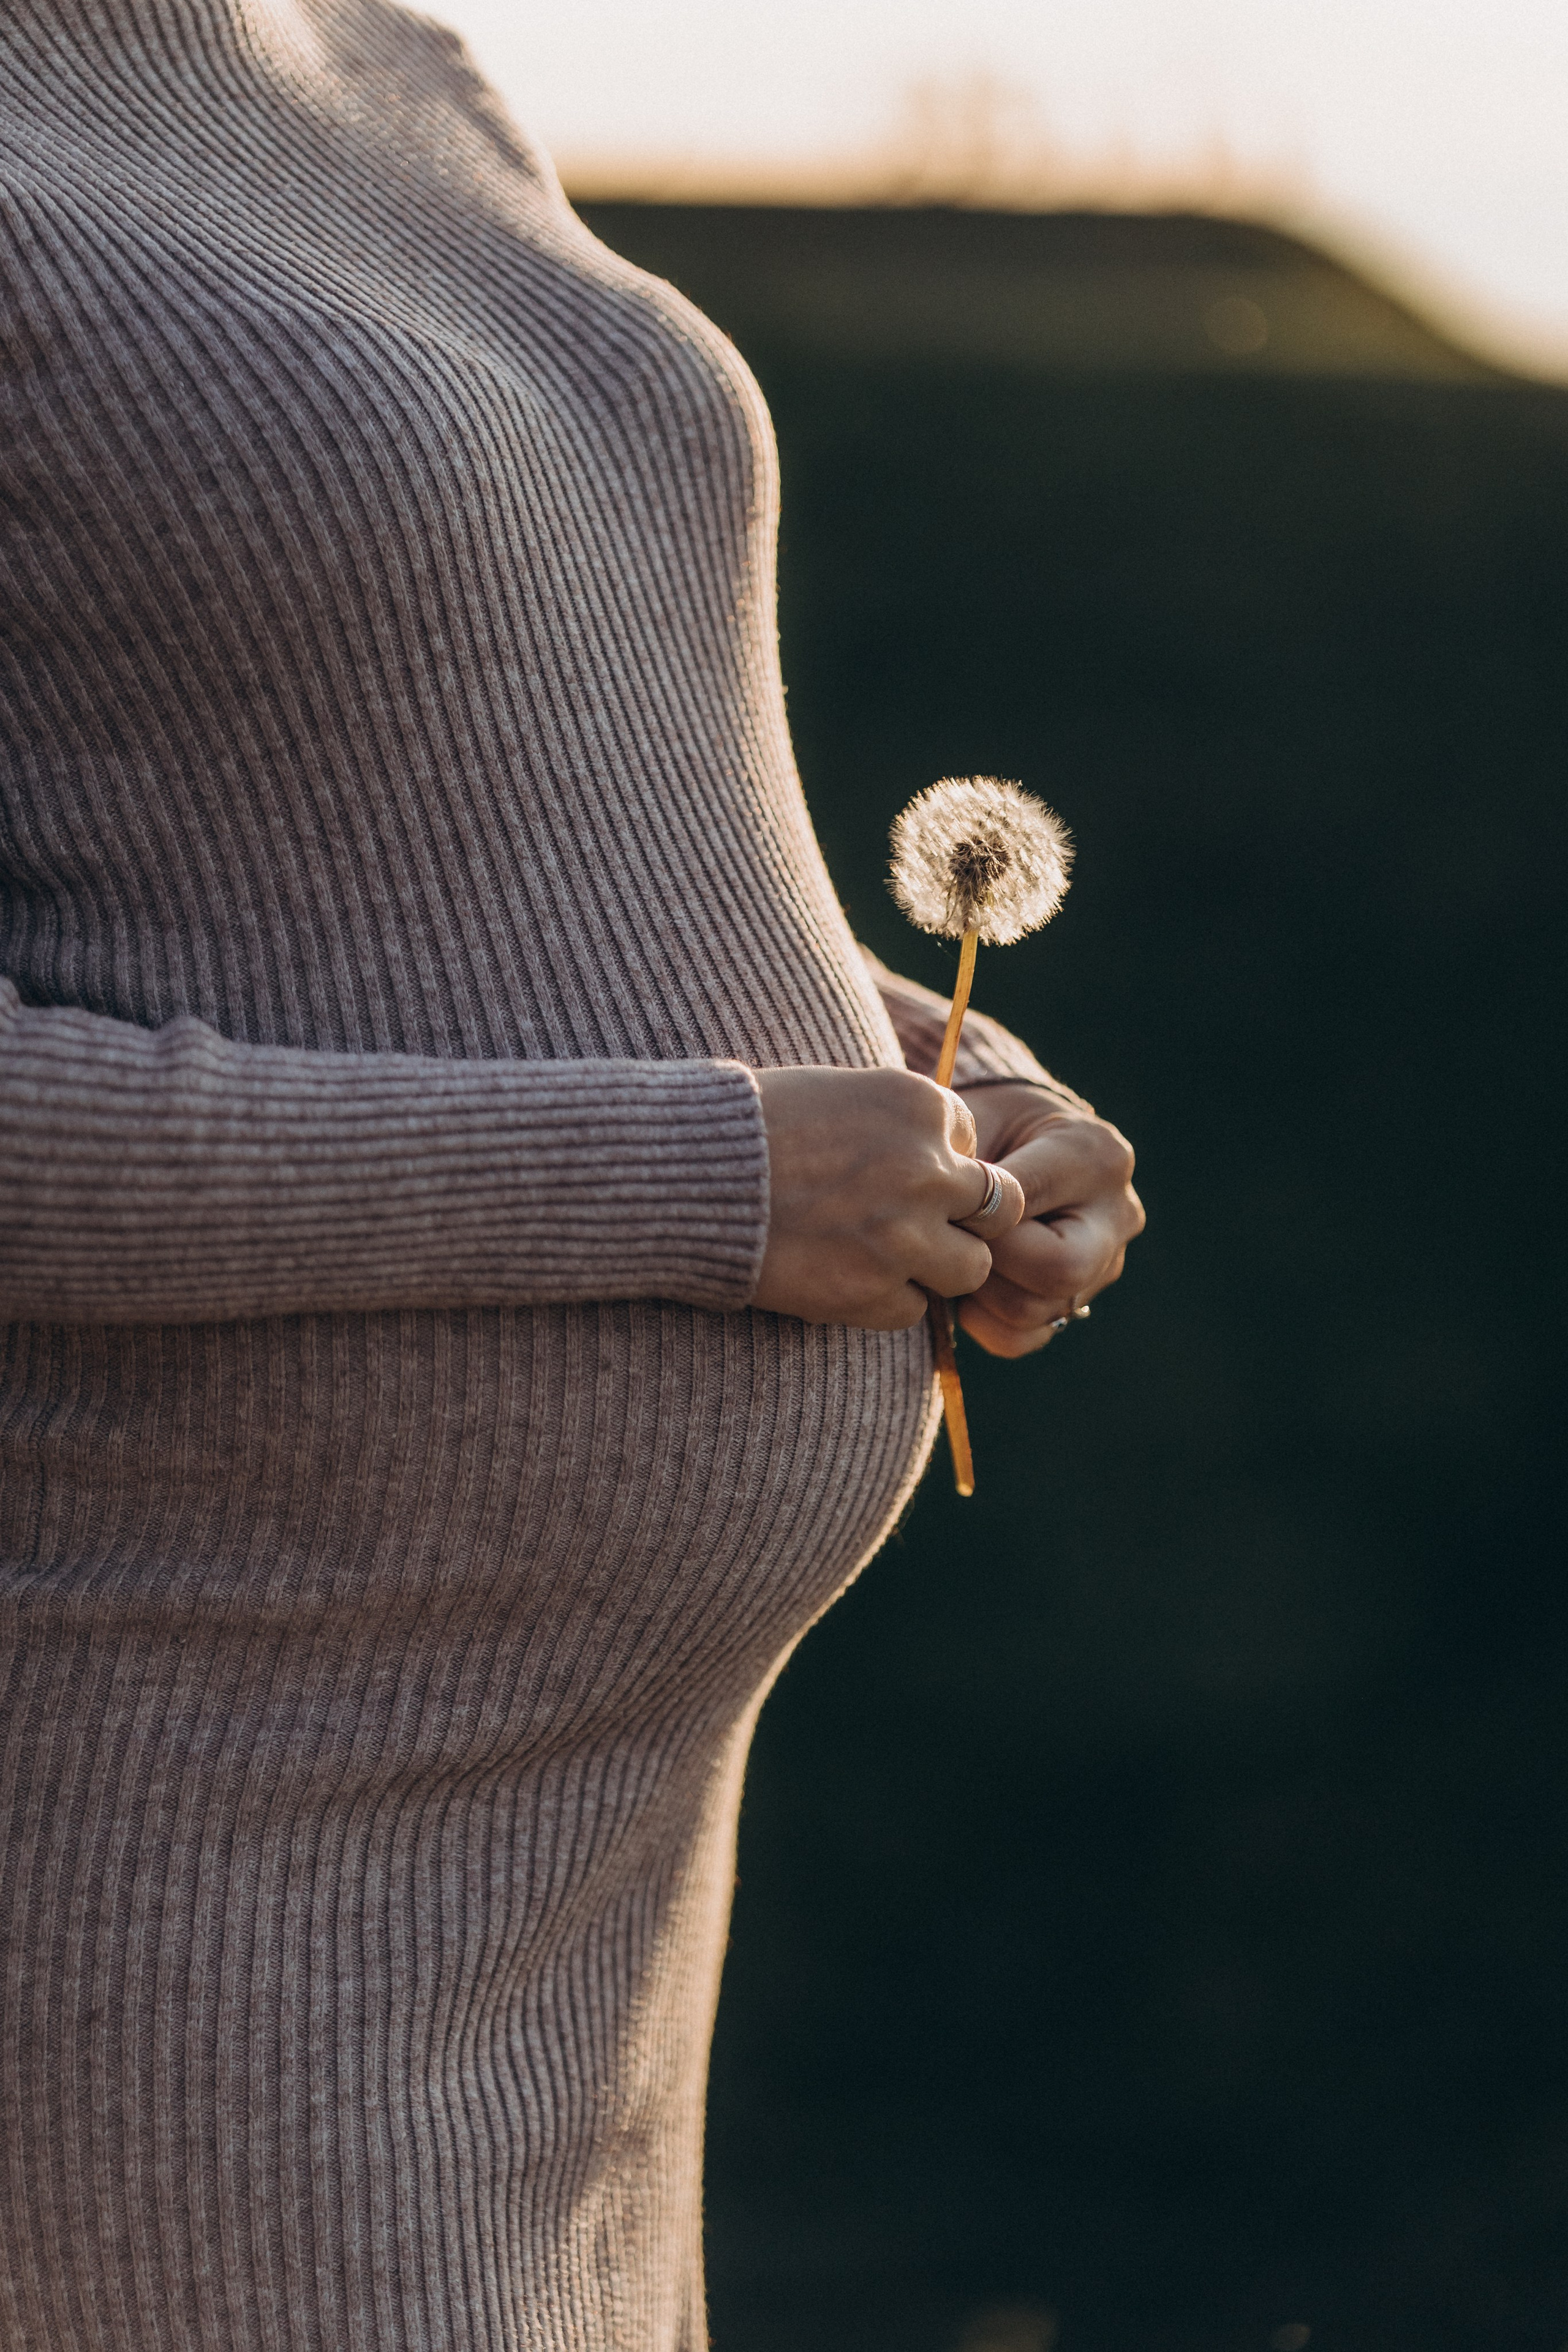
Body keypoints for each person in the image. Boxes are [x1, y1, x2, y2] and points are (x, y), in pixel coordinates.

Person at [0, 0, 1144, 2343]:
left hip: (587, 1878)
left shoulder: (389, 61)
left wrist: (933, 1066)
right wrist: (695, 1180)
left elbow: (468, 799)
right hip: (168, 1834)